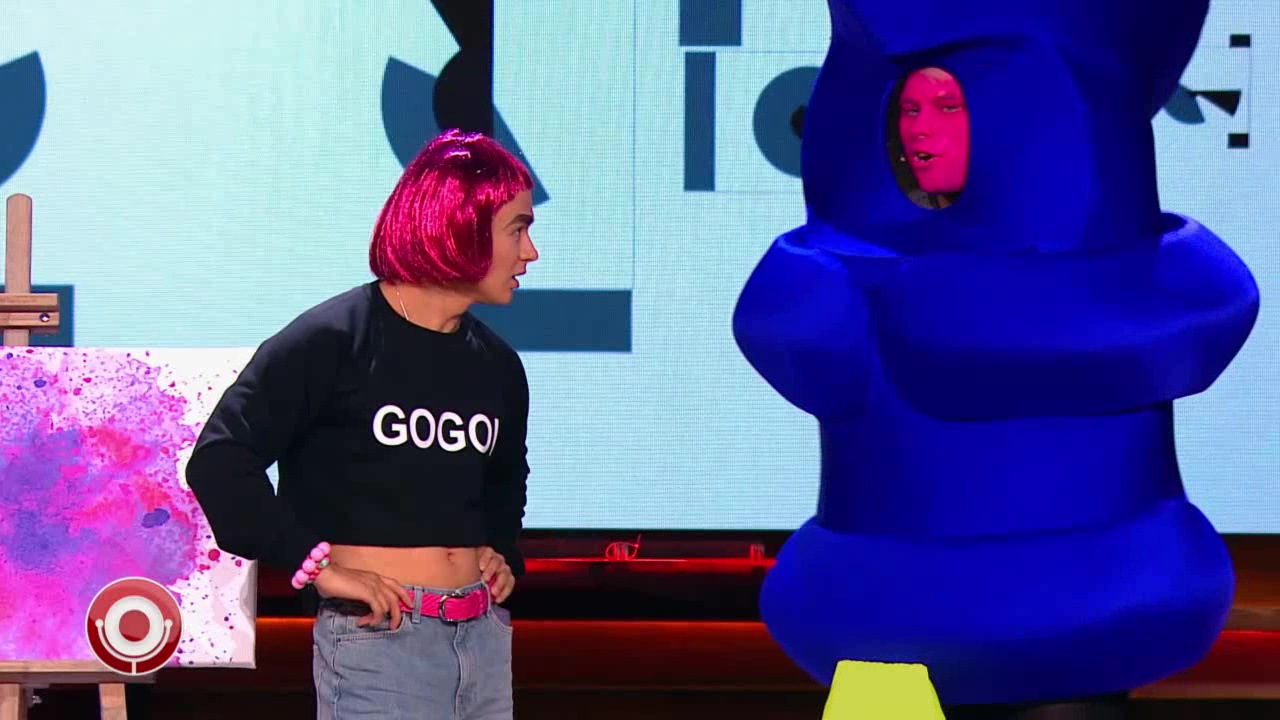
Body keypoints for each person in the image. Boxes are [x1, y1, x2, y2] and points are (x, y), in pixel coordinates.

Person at [185, 128, 539, 719]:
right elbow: (221, 461)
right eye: (518, 229)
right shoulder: (332, 340)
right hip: (381, 641)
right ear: (461, 226)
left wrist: (502, 552)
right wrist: (316, 566)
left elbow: (505, 481)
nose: (531, 253)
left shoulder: (497, 365)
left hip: (482, 642)